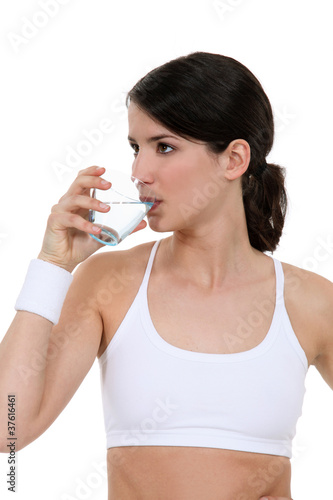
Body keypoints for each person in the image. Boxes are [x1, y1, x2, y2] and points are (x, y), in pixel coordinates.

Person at [0, 51, 332, 500]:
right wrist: (52, 266)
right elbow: (9, 427)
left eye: (165, 146)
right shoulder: (107, 285)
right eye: (136, 148)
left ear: (233, 159)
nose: (139, 173)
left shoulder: (310, 301)